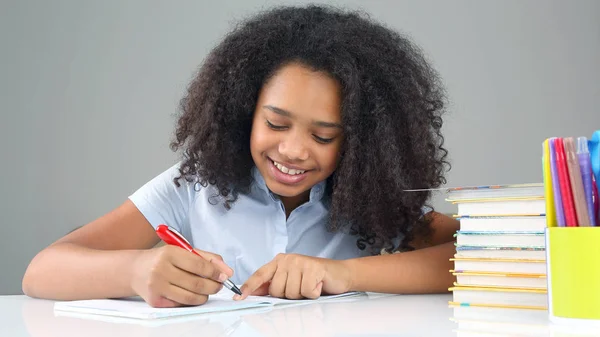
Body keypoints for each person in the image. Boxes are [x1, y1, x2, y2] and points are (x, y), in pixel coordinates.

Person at [22, 4, 459, 308]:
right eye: (275, 124)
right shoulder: (194, 185)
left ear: (360, 143)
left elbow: (480, 256)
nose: (292, 151)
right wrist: (137, 270)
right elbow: (41, 272)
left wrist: (342, 274)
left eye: (324, 136)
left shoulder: (370, 198)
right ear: (243, 112)